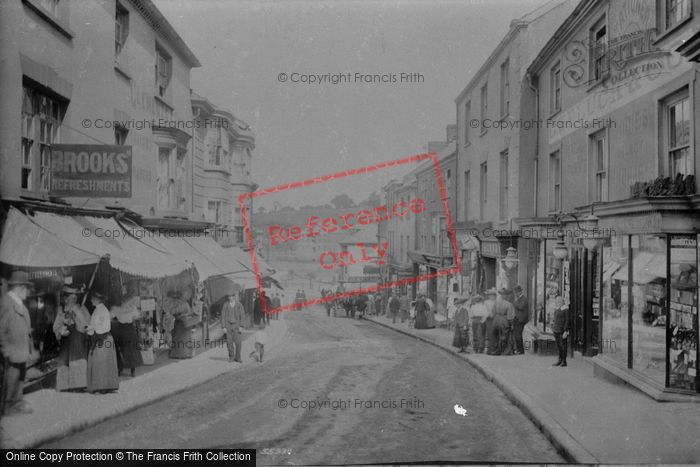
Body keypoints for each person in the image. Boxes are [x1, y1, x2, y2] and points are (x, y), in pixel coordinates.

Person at [0, 271, 34, 415]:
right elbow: (1, 329)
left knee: (20, 378)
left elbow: (25, 328)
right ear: (19, 287)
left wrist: (31, 349)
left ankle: (17, 402)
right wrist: (7, 350)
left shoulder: (20, 305)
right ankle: (8, 406)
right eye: (26, 288)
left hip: (21, 349)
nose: (28, 292)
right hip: (12, 351)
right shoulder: (6, 303)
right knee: (11, 379)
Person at [53, 286, 90, 391]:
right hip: (66, 340)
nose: (72, 300)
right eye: (70, 298)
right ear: (66, 299)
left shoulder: (81, 308)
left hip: (77, 338)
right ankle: (64, 386)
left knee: (77, 360)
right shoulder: (62, 310)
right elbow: (56, 326)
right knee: (63, 361)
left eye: (74, 298)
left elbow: (86, 324)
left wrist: (77, 312)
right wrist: (61, 330)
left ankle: (79, 385)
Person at [85, 292, 119, 394]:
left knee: (102, 362)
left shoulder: (102, 310)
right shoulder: (98, 309)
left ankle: (103, 386)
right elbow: (94, 325)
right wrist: (90, 329)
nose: (91, 300)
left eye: (92, 299)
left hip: (104, 339)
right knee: (99, 361)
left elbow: (104, 328)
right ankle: (100, 385)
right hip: (100, 338)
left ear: (97, 300)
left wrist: (91, 328)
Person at [110, 284, 143, 377]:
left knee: (127, 350)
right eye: (127, 302)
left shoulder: (122, 309)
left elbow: (109, 317)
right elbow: (109, 317)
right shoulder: (119, 309)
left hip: (125, 329)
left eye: (129, 302)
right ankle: (124, 369)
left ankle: (127, 369)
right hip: (125, 330)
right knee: (126, 350)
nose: (129, 304)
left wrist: (115, 321)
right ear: (123, 301)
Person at [222, 293, 245, 363]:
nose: (230, 298)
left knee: (238, 342)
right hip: (228, 326)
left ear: (234, 297)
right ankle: (231, 357)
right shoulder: (225, 305)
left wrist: (241, 326)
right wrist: (223, 327)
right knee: (229, 342)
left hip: (237, 326)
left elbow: (242, 315)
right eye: (229, 297)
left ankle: (238, 357)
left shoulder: (239, 305)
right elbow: (222, 316)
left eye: (232, 296)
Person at [551, 296, 570, 367]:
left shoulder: (566, 310)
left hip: (562, 330)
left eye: (560, 301)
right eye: (557, 301)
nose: (558, 303)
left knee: (563, 346)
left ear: (563, 302)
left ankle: (564, 361)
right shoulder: (557, 309)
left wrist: (566, 331)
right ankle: (559, 360)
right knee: (559, 346)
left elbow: (567, 321)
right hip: (556, 330)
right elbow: (554, 319)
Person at [513, 285, 528, 355]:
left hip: (521, 319)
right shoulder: (519, 299)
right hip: (517, 319)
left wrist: (515, 302)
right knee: (516, 335)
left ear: (519, 292)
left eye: (516, 292)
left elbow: (521, 307)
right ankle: (518, 349)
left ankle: (521, 350)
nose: (515, 294)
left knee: (518, 335)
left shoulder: (524, 299)